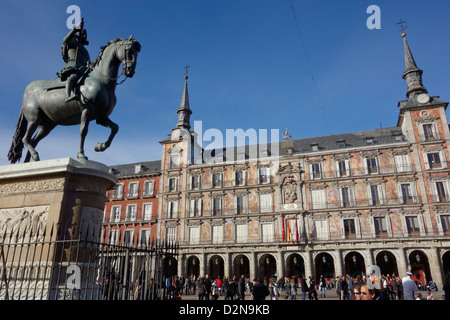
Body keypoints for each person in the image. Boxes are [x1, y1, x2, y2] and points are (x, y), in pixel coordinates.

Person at [60, 19, 91, 103]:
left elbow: (87, 61)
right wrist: (75, 29)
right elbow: (65, 40)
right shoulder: (73, 42)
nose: (85, 36)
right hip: (73, 65)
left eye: (85, 35)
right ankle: (68, 95)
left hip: (83, 68)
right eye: (83, 34)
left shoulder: (85, 50)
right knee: (73, 76)